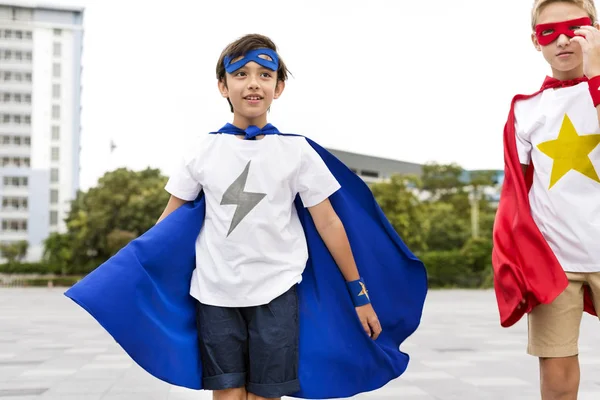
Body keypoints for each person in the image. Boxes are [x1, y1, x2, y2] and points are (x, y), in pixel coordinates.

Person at [65, 34, 427, 400]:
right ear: (223, 85)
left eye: (265, 74)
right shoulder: (202, 151)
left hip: (278, 290)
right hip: (214, 293)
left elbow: (329, 223)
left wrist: (359, 293)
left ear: (278, 87)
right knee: (228, 396)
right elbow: (167, 225)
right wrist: (127, 280)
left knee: (264, 396)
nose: (253, 82)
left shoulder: (296, 151)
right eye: (240, 74)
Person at [492, 1, 600, 399]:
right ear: (535, 42)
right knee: (555, 376)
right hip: (555, 261)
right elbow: (514, 194)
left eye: (575, 28)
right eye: (548, 32)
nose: (563, 40)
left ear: (595, 29)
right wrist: (512, 259)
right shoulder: (526, 109)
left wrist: (597, 75)